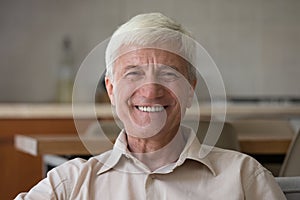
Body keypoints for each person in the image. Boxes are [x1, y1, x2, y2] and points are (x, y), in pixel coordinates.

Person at [15, 13, 286, 199]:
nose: (150, 90)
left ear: (190, 90)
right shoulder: (70, 185)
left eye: (169, 74)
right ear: (111, 89)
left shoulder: (244, 179)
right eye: (133, 73)